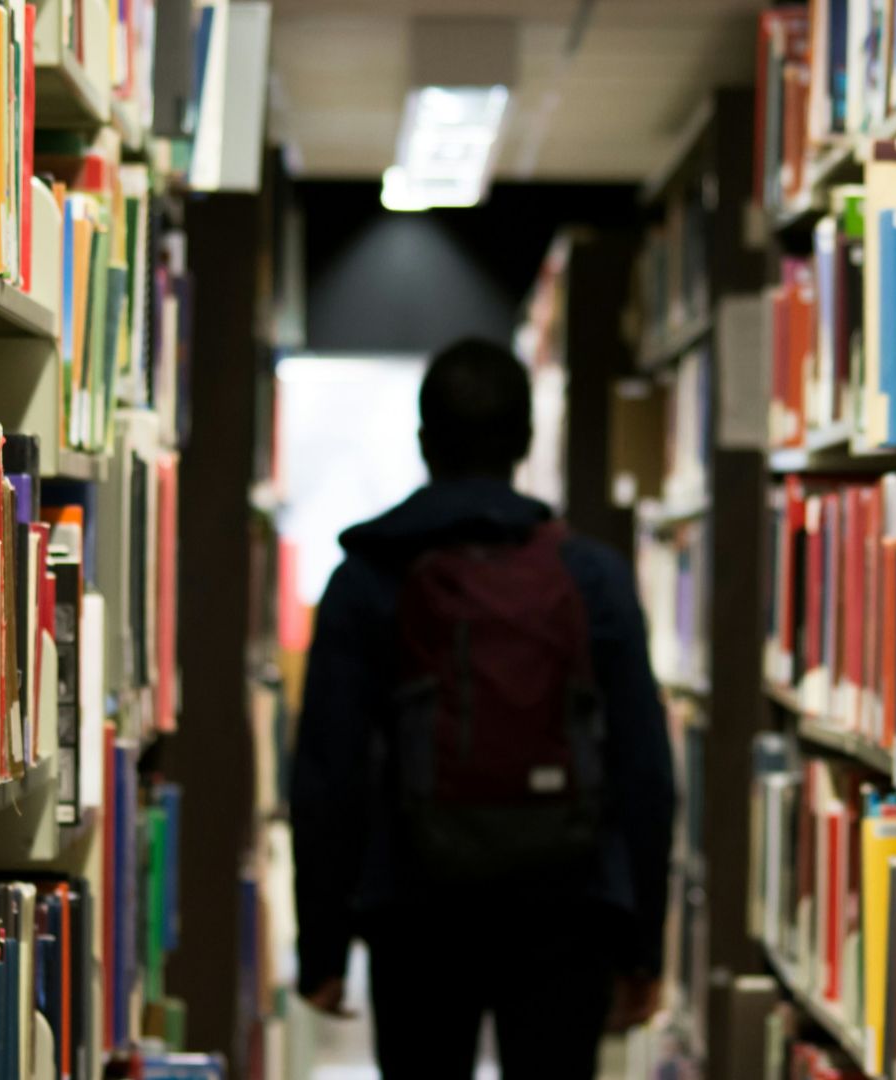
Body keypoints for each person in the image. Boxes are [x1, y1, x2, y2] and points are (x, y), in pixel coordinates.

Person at [291, 338, 677, 1078]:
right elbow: (646, 775)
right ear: (526, 442)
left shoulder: (367, 579)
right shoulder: (590, 576)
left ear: (424, 442)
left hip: (415, 910)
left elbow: (326, 775)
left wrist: (324, 951)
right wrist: (642, 947)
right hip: (570, 909)